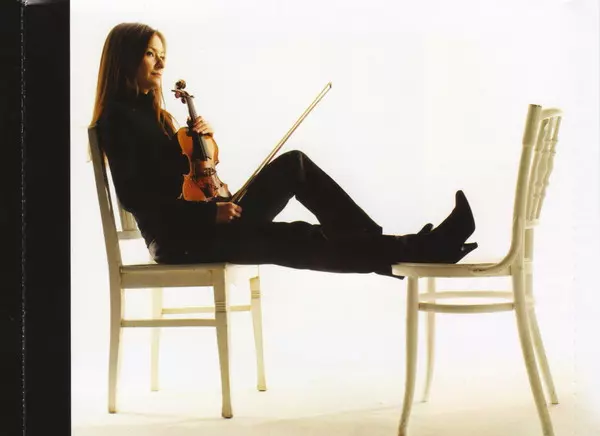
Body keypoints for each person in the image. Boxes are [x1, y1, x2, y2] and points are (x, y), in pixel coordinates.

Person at [91, 22, 478, 279]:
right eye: (150, 53)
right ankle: (416, 248)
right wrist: (209, 213)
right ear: (127, 58)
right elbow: (136, 198)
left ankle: (399, 245)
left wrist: (198, 147)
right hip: (182, 240)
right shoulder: (116, 119)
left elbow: (183, 178)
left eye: (162, 54)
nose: (161, 61)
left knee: (296, 169)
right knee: (300, 238)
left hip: (205, 222)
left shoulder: (157, 118)